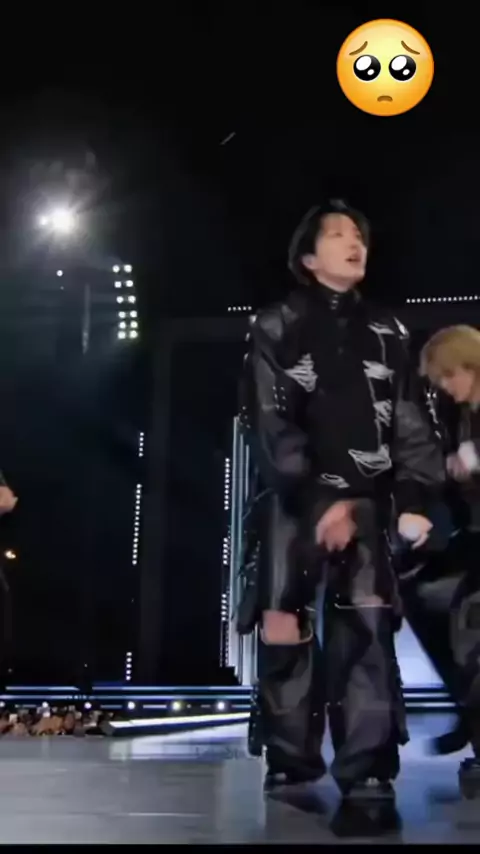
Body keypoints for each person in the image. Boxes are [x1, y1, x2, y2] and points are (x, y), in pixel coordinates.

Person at [238, 199, 445, 800]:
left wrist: (413, 495)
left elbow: (410, 420)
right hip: (293, 501)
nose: (354, 243)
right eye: (337, 235)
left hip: (366, 502)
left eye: (358, 234)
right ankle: (290, 758)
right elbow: (270, 419)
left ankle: (368, 763)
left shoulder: (389, 331)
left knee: (367, 626)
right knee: (284, 622)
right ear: (308, 257)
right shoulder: (275, 324)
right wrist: (315, 496)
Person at [418, 324, 480, 797]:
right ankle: (468, 708)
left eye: (447, 375)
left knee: (469, 620)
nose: (444, 386)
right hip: (473, 534)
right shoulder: (463, 417)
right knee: (421, 594)